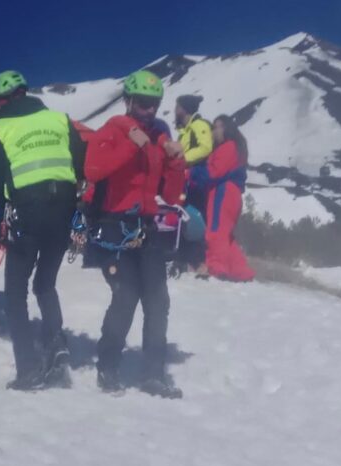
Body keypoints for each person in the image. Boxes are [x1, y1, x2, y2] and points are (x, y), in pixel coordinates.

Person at [85, 70, 186, 398]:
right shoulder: (114, 128)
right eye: (142, 103)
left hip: (148, 226)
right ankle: (108, 365)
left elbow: (170, 196)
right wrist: (131, 145)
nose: (149, 111)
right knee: (126, 296)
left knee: (158, 300)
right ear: (128, 101)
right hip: (114, 227)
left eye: (154, 104)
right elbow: (93, 169)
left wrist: (175, 163)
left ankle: (154, 372)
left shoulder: (160, 134)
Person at [0, 70, 86, 390]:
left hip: (27, 213)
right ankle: (56, 344)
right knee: (45, 284)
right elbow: (80, 162)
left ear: (0, 101)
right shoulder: (59, 119)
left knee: (15, 294)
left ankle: (28, 369)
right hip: (63, 212)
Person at [190, 115, 255, 282]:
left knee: (216, 230)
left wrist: (190, 173)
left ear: (226, 128)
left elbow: (212, 173)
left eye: (216, 127)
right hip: (233, 195)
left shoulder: (228, 147)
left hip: (223, 192)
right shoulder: (237, 149)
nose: (213, 131)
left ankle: (215, 269)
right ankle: (240, 271)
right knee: (227, 235)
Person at [175, 95, 213, 276]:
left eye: (178, 107)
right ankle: (185, 259)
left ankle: (199, 262)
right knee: (184, 217)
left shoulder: (199, 125)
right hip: (186, 178)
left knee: (195, 217)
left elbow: (205, 147)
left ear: (184, 108)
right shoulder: (185, 130)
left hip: (196, 179)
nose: (175, 110)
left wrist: (183, 160)